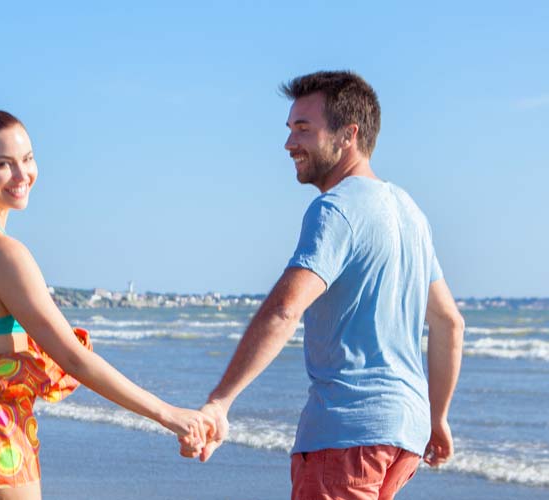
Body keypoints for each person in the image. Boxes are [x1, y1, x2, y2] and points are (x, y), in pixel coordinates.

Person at [0, 107, 212, 500]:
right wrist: (169, 415)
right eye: (4, 164)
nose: (22, 176)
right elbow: (74, 359)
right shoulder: (4, 253)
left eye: (27, 159)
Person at [196, 71, 466, 500]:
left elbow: (286, 309)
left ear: (348, 135)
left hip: (347, 433)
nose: (289, 144)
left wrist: (220, 401)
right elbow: (449, 322)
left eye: (303, 129)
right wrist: (437, 417)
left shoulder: (336, 209)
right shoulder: (409, 212)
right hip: (405, 436)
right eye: (289, 130)